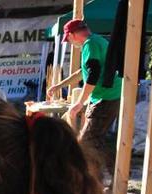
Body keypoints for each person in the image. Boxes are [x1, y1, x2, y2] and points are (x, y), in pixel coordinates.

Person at [48, 20, 123, 184]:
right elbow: (83, 72)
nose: (69, 43)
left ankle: (99, 180)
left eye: (68, 39)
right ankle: (113, 175)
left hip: (106, 97)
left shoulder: (90, 44)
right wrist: (60, 85)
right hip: (109, 95)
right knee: (96, 139)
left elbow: (93, 74)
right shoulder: (97, 40)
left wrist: (80, 102)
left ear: (74, 34)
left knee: (87, 141)